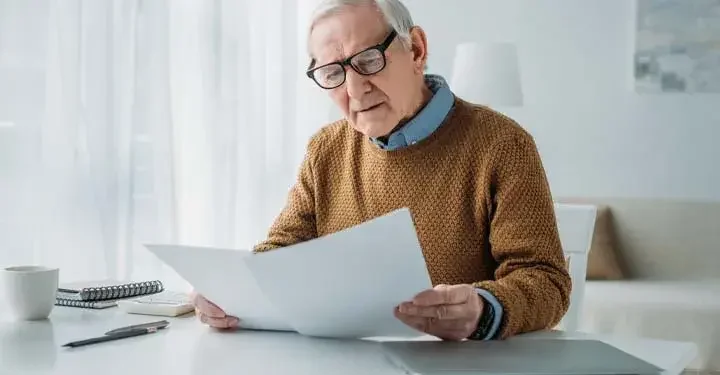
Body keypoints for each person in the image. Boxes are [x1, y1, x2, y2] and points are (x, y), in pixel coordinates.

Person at [192, 0, 571, 342]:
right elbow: (280, 253)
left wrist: (483, 309)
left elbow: (547, 281)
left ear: (417, 50)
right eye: (332, 73)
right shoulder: (325, 149)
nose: (355, 90)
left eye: (369, 61)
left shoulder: (502, 144)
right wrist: (230, 290)